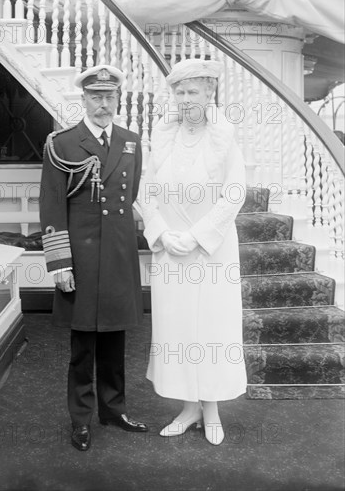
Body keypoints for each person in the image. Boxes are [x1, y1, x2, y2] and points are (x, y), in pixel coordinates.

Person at [39, 64, 147, 452]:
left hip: (118, 255)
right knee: (83, 346)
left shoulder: (131, 140)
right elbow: (52, 207)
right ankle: (81, 419)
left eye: (110, 97)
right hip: (80, 260)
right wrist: (60, 263)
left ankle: (113, 410)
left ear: (119, 99)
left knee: (116, 340)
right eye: (96, 97)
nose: (104, 104)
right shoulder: (62, 143)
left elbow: (129, 194)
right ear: (82, 100)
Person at [140, 58, 247, 445]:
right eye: (179, 92)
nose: (185, 99)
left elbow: (234, 193)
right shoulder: (163, 135)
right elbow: (145, 191)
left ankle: (213, 409)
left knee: (211, 329)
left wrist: (198, 235)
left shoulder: (224, 137)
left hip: (210, 254)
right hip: (171, 253)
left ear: (209, 94)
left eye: (193, 92)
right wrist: (163, 233)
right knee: (178, 329)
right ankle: (188, 408)